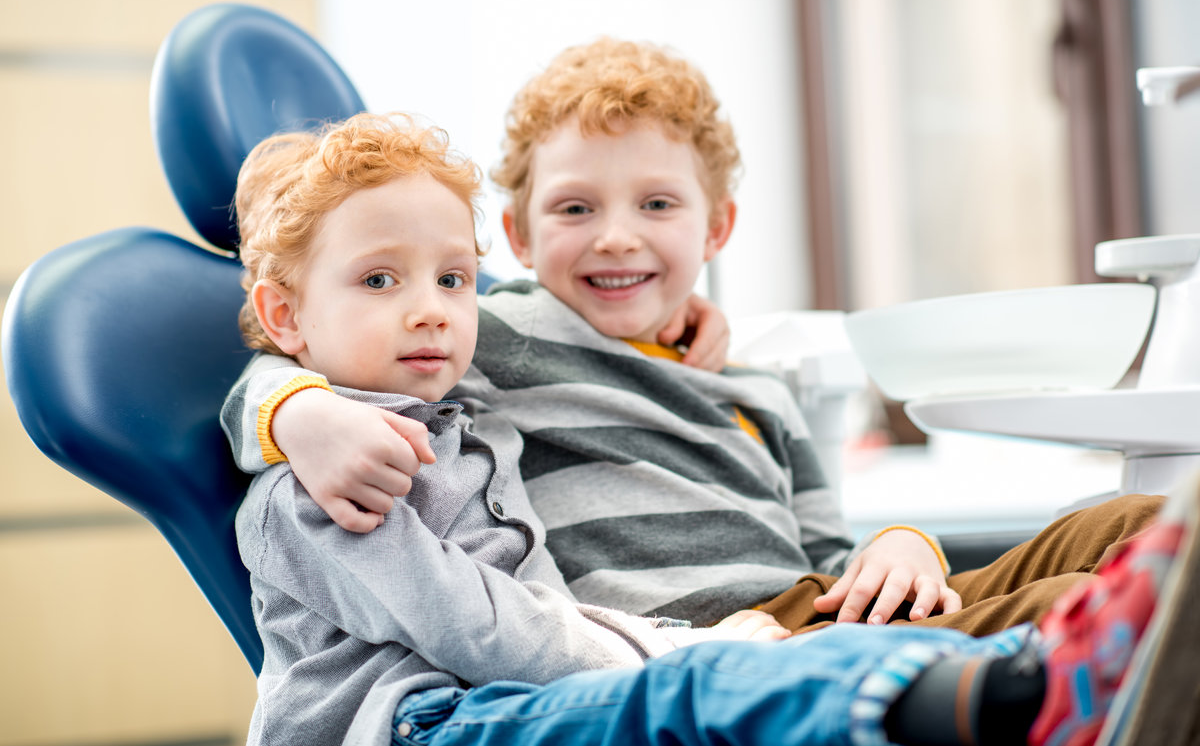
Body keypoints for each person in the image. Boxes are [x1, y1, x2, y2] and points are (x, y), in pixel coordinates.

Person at [228, 109, 1197, 746]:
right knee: (1064, 602)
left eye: (452, 278)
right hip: (481, 696)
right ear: (524, 243)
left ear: (715, 229)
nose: (433, 308)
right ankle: (1058, 678)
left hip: (685, 627)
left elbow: (821, 546)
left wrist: (901, 541)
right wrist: (292, 409)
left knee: (1118, 524)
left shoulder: (723, 380)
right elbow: (484, 623)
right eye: (576, 208)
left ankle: (1132, 610)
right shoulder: (497, 349)